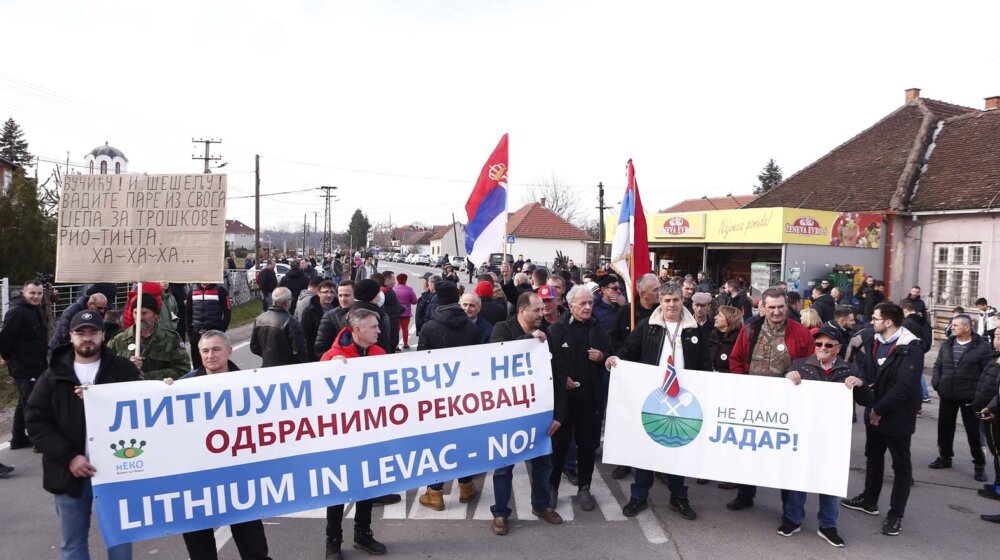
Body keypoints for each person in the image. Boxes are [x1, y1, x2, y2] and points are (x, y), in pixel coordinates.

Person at [26, 309, 140, 560]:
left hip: (116, 471)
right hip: (69, 473)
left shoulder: (122, 370)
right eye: (81, 333)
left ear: (103, 335)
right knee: (73, 544)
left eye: (93, 332)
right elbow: (36, 422)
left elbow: (142, 410)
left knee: (119, 542)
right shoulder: (54, 375)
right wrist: (70, 457)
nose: (87, 338)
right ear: (70, 336)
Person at [162, 331, 272, 560]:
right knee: (200, 548)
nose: (210, 355)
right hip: (197, 480)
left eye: (216, 349)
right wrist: (162, 391)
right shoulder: (184, 386)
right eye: (205, 351)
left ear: (229, 351)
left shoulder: (250, 383)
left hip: (239, 478)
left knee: (254, 547)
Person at [605, 282, 711, 521]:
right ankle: (639, 496)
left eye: (675, 300)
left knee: (678, 450)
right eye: (666, 300)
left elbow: (705, 363)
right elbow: (629, 350)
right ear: (660, 302)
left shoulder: (693, 330)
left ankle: (679, 497)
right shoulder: (648, 327)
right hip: (653, 398)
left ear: (682, 301)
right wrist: (615, 359)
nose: (671, 304)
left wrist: (707, 388)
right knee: (646, 448)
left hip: (684, 400)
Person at [841, 302, 924, 536]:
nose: (871, 322)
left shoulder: (911, 348)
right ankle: (869, 500)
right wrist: (861, 382)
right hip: (874, 411)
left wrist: (878, 409)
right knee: (873, 456)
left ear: (888, 322)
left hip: (897, 416)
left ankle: (895, 515)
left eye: (876, 319)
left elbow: (905, 387)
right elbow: (866, 370)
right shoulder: (874, 341)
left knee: (901, 467)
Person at [727, 287, 813, 510]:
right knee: (749, 449)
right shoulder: (749, 329)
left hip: (786, 404)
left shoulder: (801, 333)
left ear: (788, 306)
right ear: (762, 307)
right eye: (772, 307)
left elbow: (810, 365)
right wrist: (742, 385)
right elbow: (736, 359)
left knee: (784, 454)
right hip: (753, 401)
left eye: (781, 307)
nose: (777, 312)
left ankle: (788, 505)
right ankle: (745, 495)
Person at [488, 292, 563, 534]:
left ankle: (541, 506)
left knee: (543, 463)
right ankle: (500, 513)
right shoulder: (502, 329)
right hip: (507, 413)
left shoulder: (547, 333)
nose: (543, 314)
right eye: (537, 310)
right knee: (503, 467)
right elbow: (496, 357)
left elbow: (558, 375)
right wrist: (528, 339)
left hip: (538, 412)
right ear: (522, 310)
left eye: (543, 310)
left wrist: (558, 414)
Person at [318, 309, 389, 558]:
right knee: (337, 492)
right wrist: (331, 372)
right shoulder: (332, 357)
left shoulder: (380, 354)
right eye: (373, 327)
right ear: (357, 330)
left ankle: (362, 533)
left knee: (367, 487)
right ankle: (333, 540)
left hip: (370, 434)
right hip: (341, 439)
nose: (379, 331)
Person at [780, 325, 856, 547]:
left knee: (829, 478)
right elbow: (783, 393)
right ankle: (793, 519)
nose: (822, 348)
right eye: (819, 344)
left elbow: (867, 399)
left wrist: (858, 384)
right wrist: (788, 375)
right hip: (804, 430)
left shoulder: (847, 369)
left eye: (828, 345)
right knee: (798, 474)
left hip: (834, 435)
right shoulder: (801, 365)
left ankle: (828, 525)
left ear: (838, 348)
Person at [417, 281, 482, 510]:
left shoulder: (429, 327)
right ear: (457, 298)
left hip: (436, 396)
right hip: (465, 395)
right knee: (463, 441)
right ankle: (466, 486)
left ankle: (435, 493)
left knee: (438, 444)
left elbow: (420, 365)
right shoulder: (472, 328)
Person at [547, 286, 611, 512]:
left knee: (587, 446)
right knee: (559, 445)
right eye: (582, 303)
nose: (587, 307)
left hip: (590, 399)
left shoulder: (598, 328)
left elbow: (612, 354)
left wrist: (602, 356)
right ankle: (552, 488)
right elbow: (548, 363)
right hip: (565, 401)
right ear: (571, 304)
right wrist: (561, 379)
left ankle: (584, 488)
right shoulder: (557, 330)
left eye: (590, 304)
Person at [928, 314, 992, 481]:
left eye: (956, 325)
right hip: (947, 393)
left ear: (967, 327)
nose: (952, 327)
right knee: (945, 429)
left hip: (970, 397)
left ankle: (979, 464)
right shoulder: (948, 343)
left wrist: (979, 394)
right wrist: (937, 383)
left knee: (974, 433)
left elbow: (988, 372)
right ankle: (945, 457)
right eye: (952, 324)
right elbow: (938, 364)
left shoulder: (982, 347)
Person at [0, 279, 49, 450]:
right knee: (32, 404)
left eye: (39, 293)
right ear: (23, 293)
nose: (36, 296)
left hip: (37, 363)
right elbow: (5, 338)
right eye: (32, 293)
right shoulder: (17, 312)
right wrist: (6, 357)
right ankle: (38, 441)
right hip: (24, 366)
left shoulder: (35, 310)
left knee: (24, 402)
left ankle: (18, 438)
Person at [108, 294, 190, 380]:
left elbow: (183, 369)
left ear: (155, 315)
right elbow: (105, 370)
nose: (139, 318)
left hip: (159, 391)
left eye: (144, 313)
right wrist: (127, 367)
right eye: (136, 313)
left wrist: (147, 377)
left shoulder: (171, 338)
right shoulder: (118, 340)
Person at [973, 332, 1000, 502]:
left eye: (998, 334)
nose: (995, 338)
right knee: (995, 452)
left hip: (995, 414)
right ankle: (997, 484)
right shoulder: (995, 357)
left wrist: (992, 408)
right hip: (990, 411)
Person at [250, 288, 307, 367]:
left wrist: (269, 356)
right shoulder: (291, 322)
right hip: (287, 369)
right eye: (291, 299)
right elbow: (300, 351)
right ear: (286, 302)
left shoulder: (260, 319)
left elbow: (254, 347)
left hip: (267, 366)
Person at [185, 282, 232, 370]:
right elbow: (187, 313)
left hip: (214, 331)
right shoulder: (192, 290)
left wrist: (221, 332)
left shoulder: (221, 290)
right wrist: (190, 333)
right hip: (196, 333)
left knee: (216, 363)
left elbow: (227, 313)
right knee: (197, 365)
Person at [900, 300, 933, 404]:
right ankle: (924, 394)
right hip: (921, 350)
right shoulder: (925, 322)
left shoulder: (907, 322)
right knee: (917, 372)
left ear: (905, 310)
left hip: (908, 351)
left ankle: (922, 395)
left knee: (913, 374)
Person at [348, 279, 392, 353]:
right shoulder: (368, 315)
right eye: (377, 293)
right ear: (370, 295)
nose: (379, 296)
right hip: (374, 356)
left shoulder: (370, 309)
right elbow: (380, 339)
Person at [314, 280, 355, 358]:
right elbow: (320, 348)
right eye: (340, 296)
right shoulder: (330, 316)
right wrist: (332, 358)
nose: (343, 299)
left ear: (355, 295)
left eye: (347, 295)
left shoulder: (364, 313)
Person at [301, 280, 336, 361]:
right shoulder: (309, 311)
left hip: (335, 352)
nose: (329, 295)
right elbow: (305, 336)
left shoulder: (339, 309)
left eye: (332, 292)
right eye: (325, 292)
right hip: (316, 354)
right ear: (319, 293)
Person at [374, 272, 403, 353]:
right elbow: (396, 308)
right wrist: (402, 308)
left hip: (390, 330)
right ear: (387, 280)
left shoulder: (386, 292)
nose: (395, 282)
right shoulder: (387, 293)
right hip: (390, 332)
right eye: (393, 279)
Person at [710, 305, 744, 373]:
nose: (715, 317)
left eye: (719, 316)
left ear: (729, 319)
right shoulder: (712, 336)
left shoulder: (738, 339)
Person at [393, 273, 418, 350]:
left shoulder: (394, 289)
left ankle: (396, 345)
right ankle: (405, 344)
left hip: (396, 312)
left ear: (397, 280)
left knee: (396, 329)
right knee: (405, 329)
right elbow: (414, 301)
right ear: (406, 280)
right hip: (406, 312)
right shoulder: (409, 289)